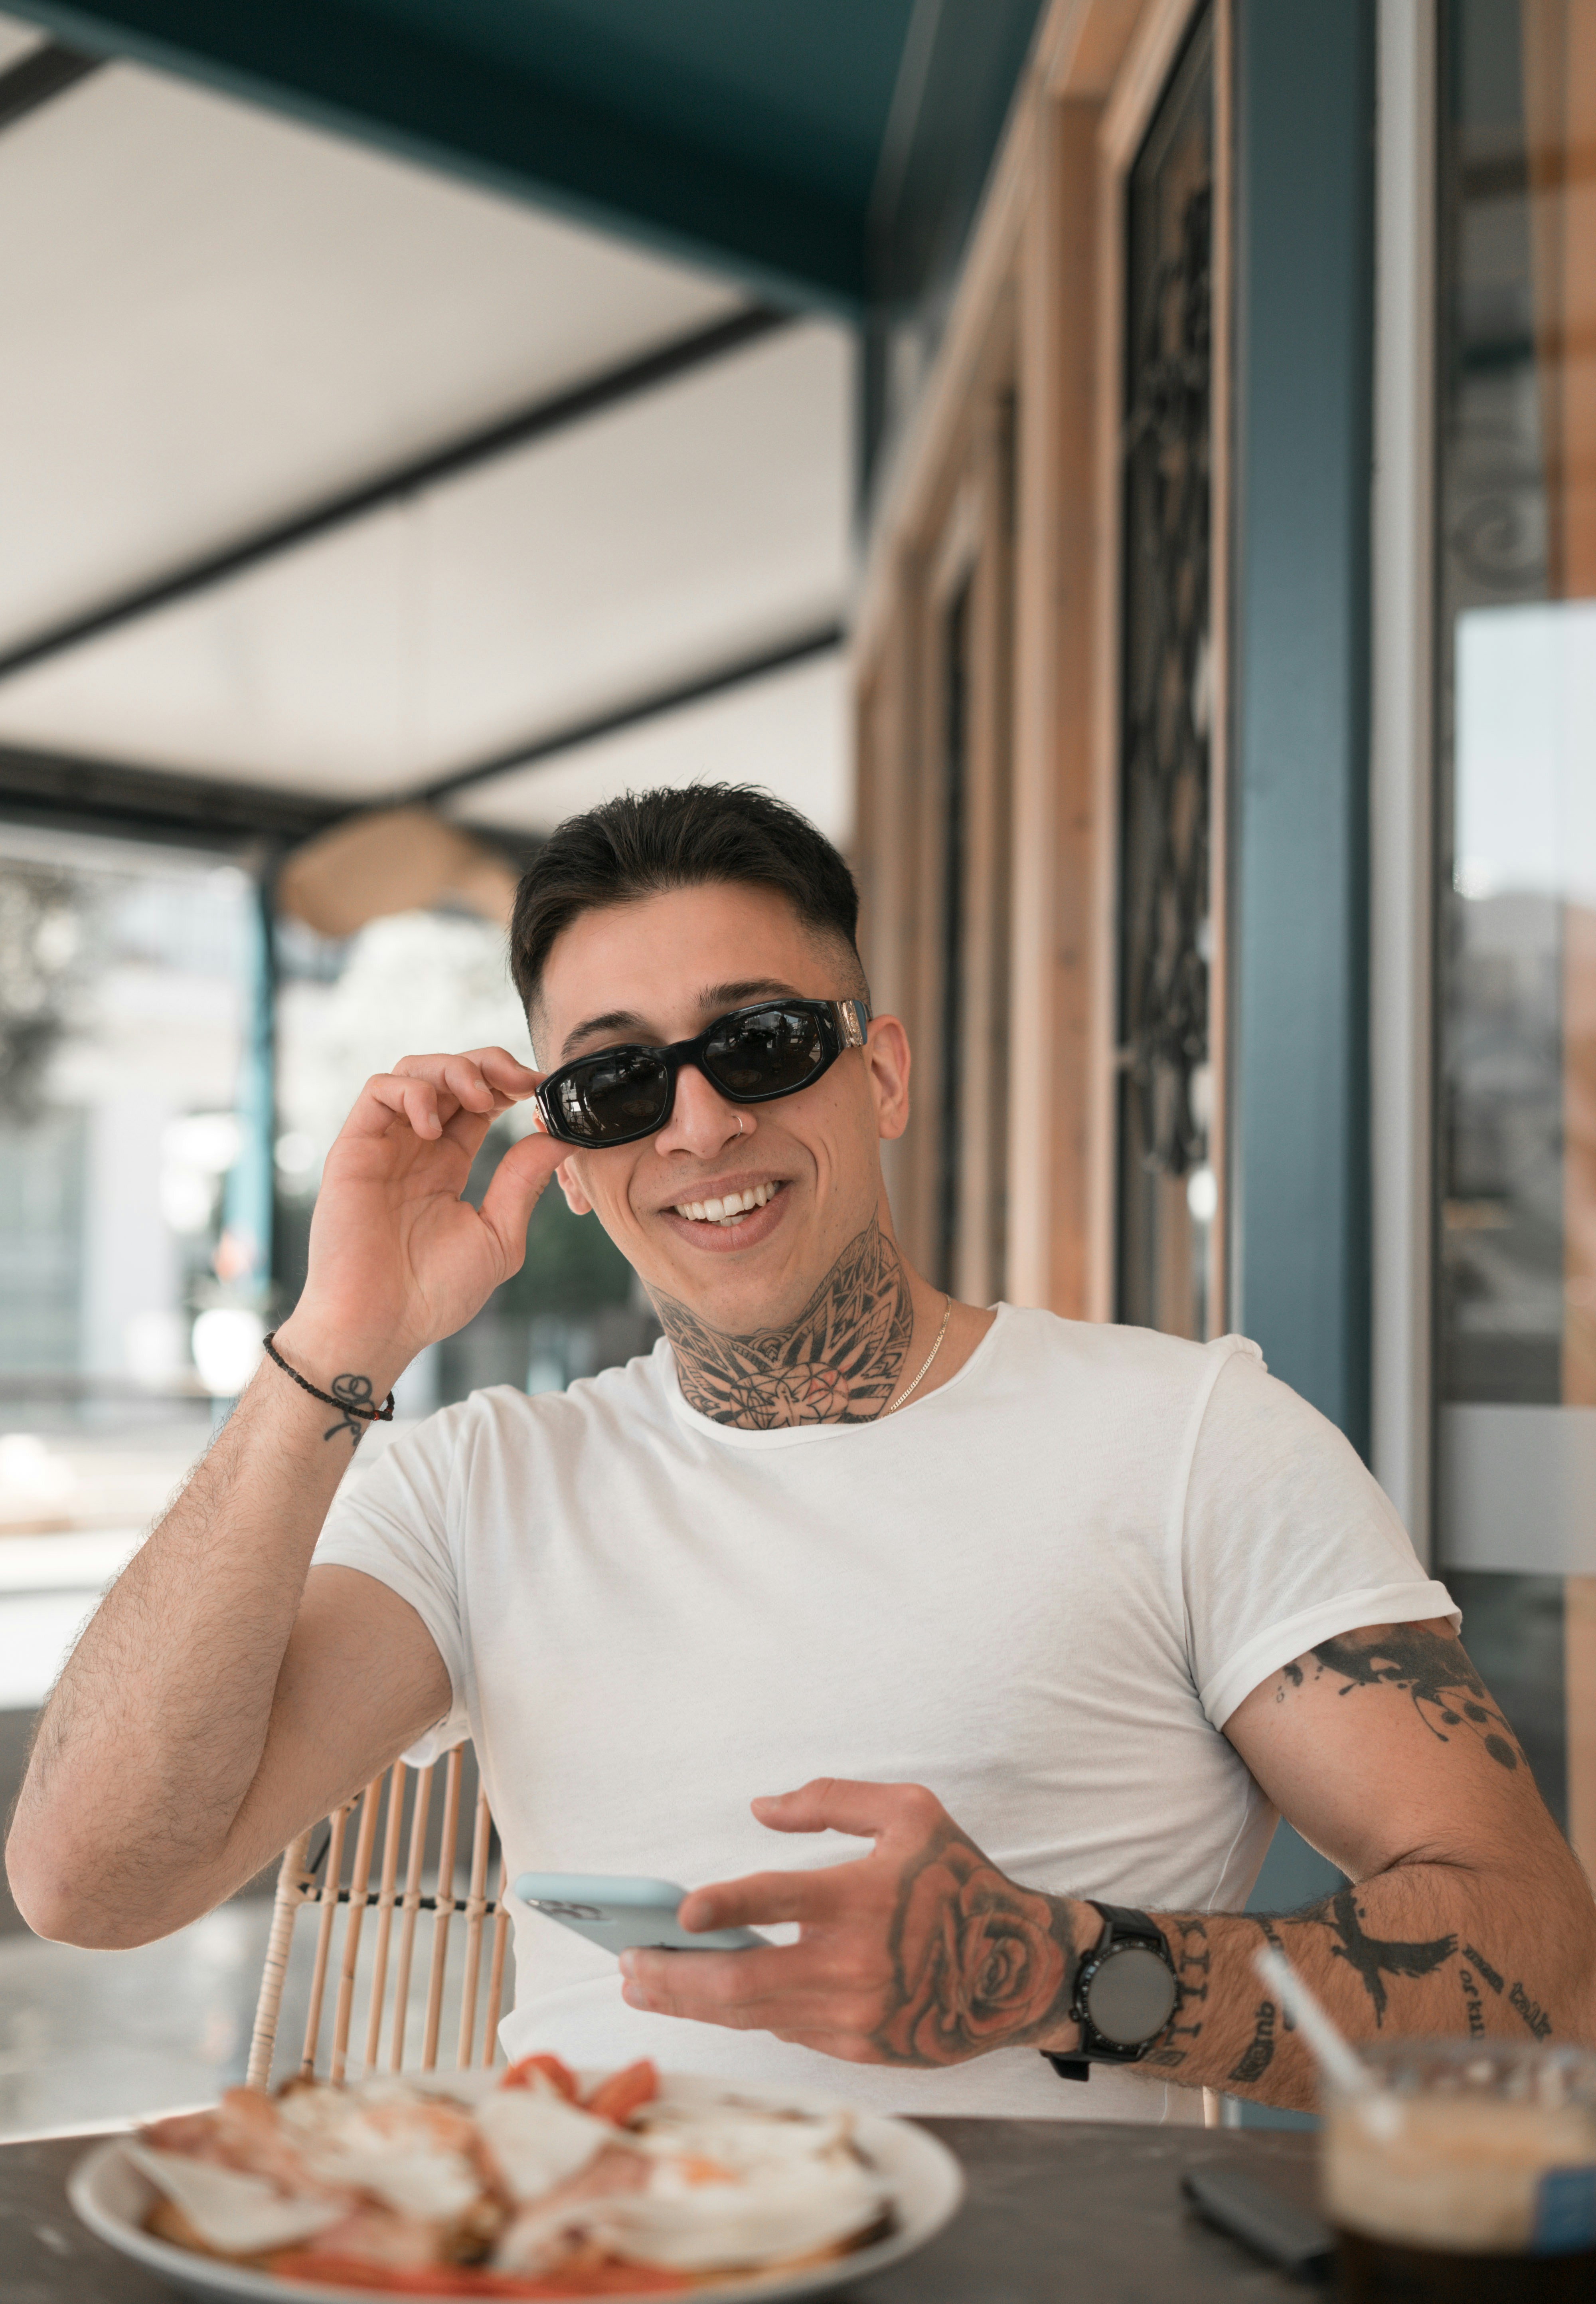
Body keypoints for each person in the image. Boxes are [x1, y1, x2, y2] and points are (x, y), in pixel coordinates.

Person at [10, 785, 1593, 2122]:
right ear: (571, 1163)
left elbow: (1541, 1963)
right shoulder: (477, 1486)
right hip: (593, 2303)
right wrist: (335, 1343)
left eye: (760, 1042)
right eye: (618, 1081)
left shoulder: (1192, 1442)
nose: (698, 1125)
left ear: (879, 1073)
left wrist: (1052, 1974)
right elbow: (90, 1882)